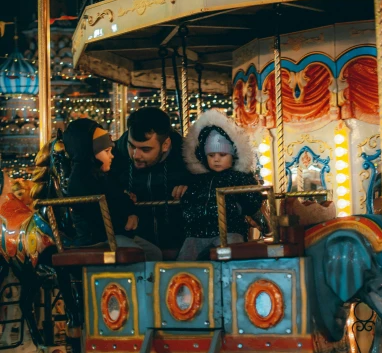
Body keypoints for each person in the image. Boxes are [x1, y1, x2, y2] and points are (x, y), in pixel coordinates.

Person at [63, 118, 162, 261]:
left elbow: (119, 197)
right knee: (139, 252)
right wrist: (124, 218)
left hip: (116, 234)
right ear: (89, 153)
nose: (111, 156)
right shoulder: (80, 182)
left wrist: (129, 210)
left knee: (154, 252)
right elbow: (97, 216)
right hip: (97, 239)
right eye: (107, 151)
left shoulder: (104, 177)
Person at [177, 109, 263, 260]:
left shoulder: (239, 177)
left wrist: (244, 201)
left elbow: (253, 201)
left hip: (229, 229)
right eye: (211, 155)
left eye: (222, 155)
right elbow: (188, 201)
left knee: (231, 254)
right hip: (197, 231)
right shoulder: (198, 179)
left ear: (233, 155)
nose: (216, 159)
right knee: (185, 259)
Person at [112, 107, 189, 251]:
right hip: (136, 247)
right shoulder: (114, 158)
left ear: (165, 145)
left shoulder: (188, 159)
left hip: (179, 245)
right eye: (131, 146)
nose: (136, 155)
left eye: (145, 149)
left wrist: (191, 187)